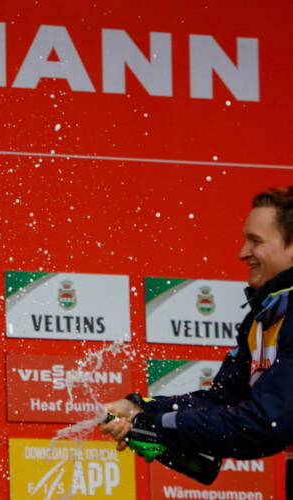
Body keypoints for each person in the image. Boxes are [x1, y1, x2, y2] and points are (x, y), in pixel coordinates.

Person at [101, 186, 293, 496]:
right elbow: (225, 399)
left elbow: (264, 424)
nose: (242, 253)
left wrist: (159, 425)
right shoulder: (264, 316)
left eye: (256, 241)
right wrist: (141, 409)